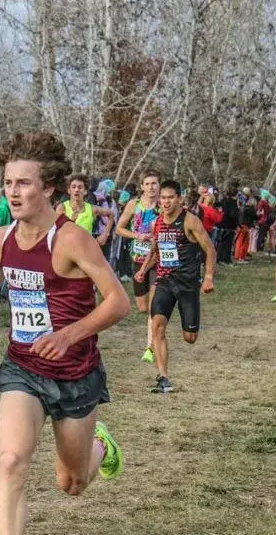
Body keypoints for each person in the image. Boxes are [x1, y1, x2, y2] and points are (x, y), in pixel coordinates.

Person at [0, 132, 128, 535]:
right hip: (22, 367)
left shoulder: (70, 239)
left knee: (72, 483)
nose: (12, 191)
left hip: (75, 374)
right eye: (8, 182)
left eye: (23, 183)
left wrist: (68, 336)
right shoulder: (0, 239)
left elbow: (118, 301)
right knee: (11, 461)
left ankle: (101, 447)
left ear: (47, 188)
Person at [134, 180, 216, 394]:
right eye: (163, 198)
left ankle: (190, 326)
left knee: (190, 338)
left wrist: (208, 277)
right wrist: (143, 270)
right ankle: (163, 377)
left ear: (179, 199)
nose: (166, 201)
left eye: (170, 197)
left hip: (187, 284)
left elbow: (210, 249)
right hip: (164, 281)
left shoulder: (190, 221)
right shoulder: (157, 223)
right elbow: (155, 250)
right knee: (157, 324)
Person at [115, 169, 160, 362]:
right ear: (141, 186)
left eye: (154, 183)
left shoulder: (163, 205)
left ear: (159, 185)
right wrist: (137, 235)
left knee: (154, 307)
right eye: (147, 183)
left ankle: (150, 347)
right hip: (138, 258)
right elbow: (119, 228)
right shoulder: (134, 205)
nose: (151, 187)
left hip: (158, 259)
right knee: (142, 307)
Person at [55, 173, 114, 245]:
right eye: (73, 187)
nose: (76, 190)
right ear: (69, 190)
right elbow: (56, 230)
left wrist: (105, 234)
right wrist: (70, 222)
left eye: (80, 187)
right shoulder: (62, 207)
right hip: (66, 250)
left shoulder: (92, 209)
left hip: (86, 251)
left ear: (85, 191)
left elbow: (111, 214)